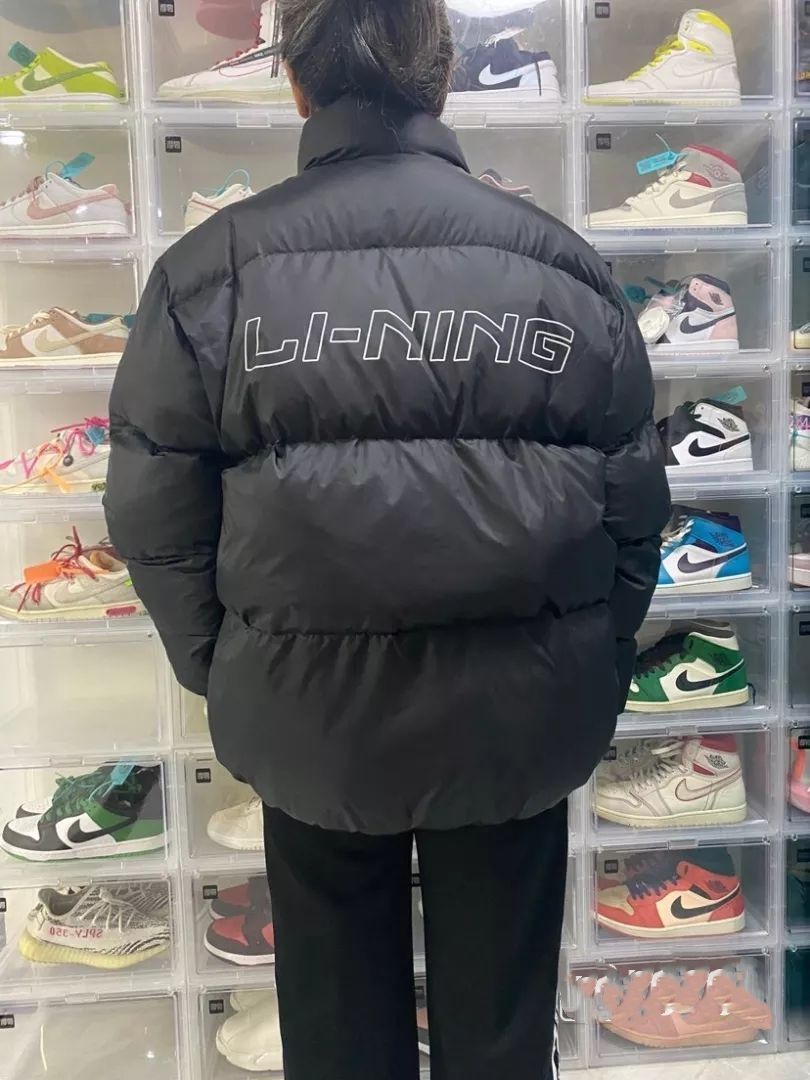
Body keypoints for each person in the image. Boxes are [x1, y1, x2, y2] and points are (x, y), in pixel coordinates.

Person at [104, 1, 670, 1077]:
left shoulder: (209, 273)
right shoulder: (565, 270)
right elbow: (636, 508)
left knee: (336, 1030)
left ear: (295, 82)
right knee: (500, 1033)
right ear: (442, 77)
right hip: (518, 714)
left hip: (309, 714)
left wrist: (233, 668)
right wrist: (590, 661)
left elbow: (153, 516)